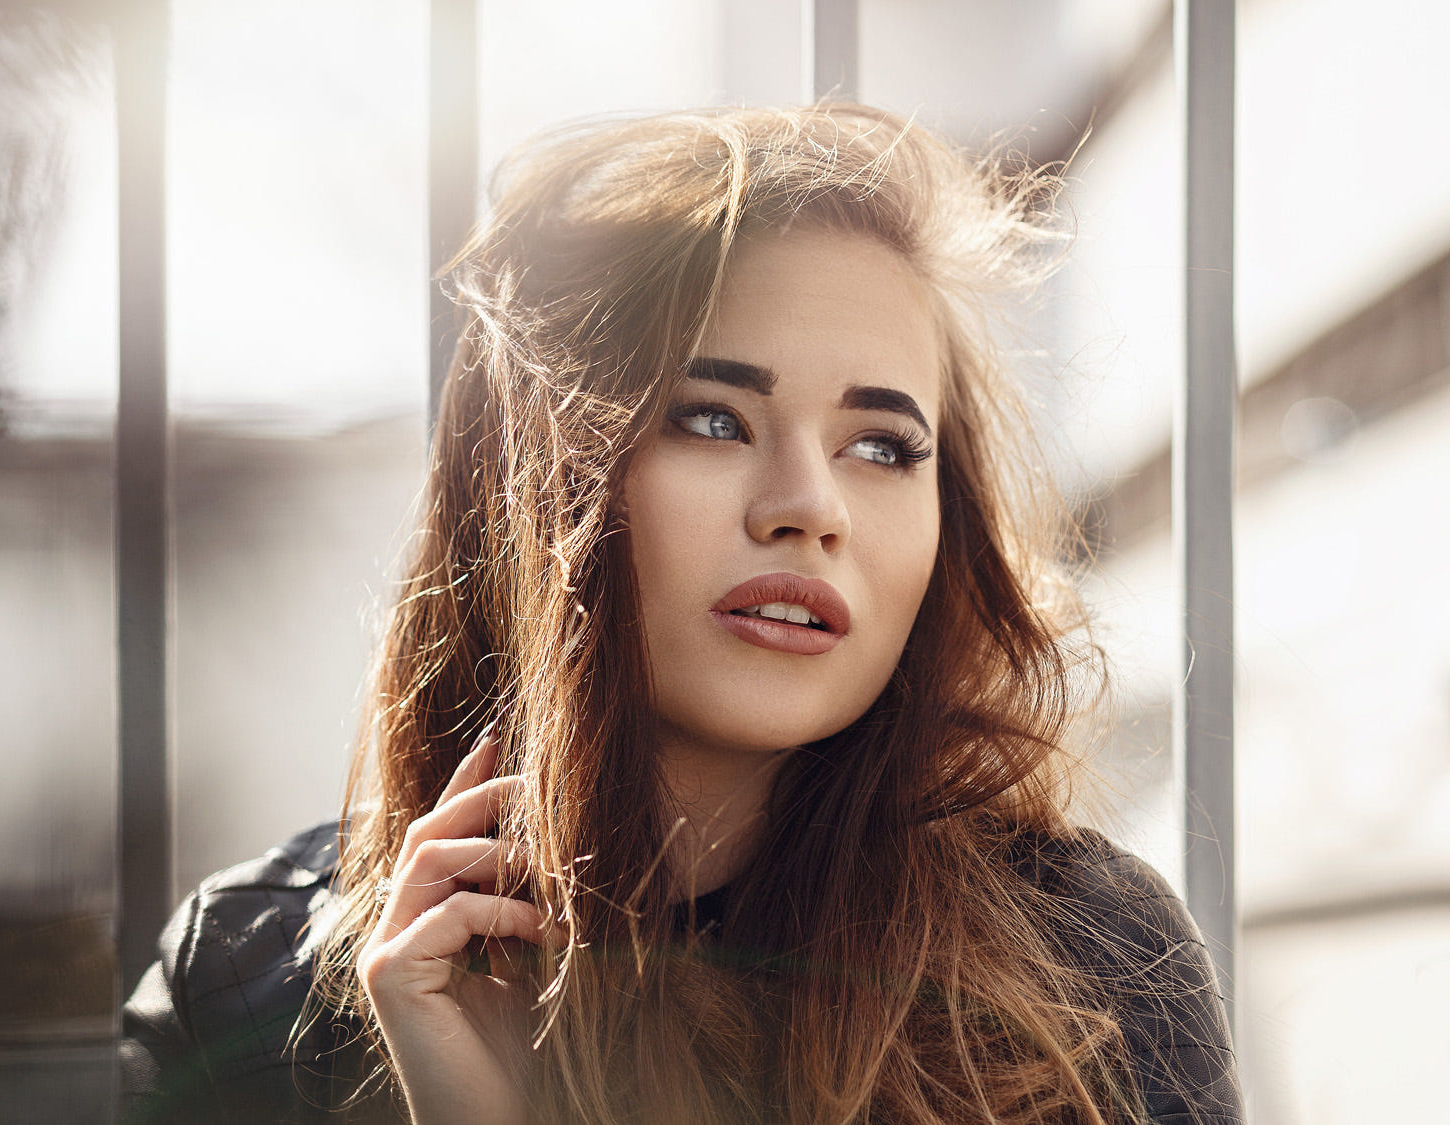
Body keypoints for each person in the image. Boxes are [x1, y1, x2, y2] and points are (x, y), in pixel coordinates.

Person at [119, 104, 1243, 1125]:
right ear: (534, 479)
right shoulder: (240, 980)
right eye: (711, 421)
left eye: (881, 447)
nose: (810, 509)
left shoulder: (1089, 969)